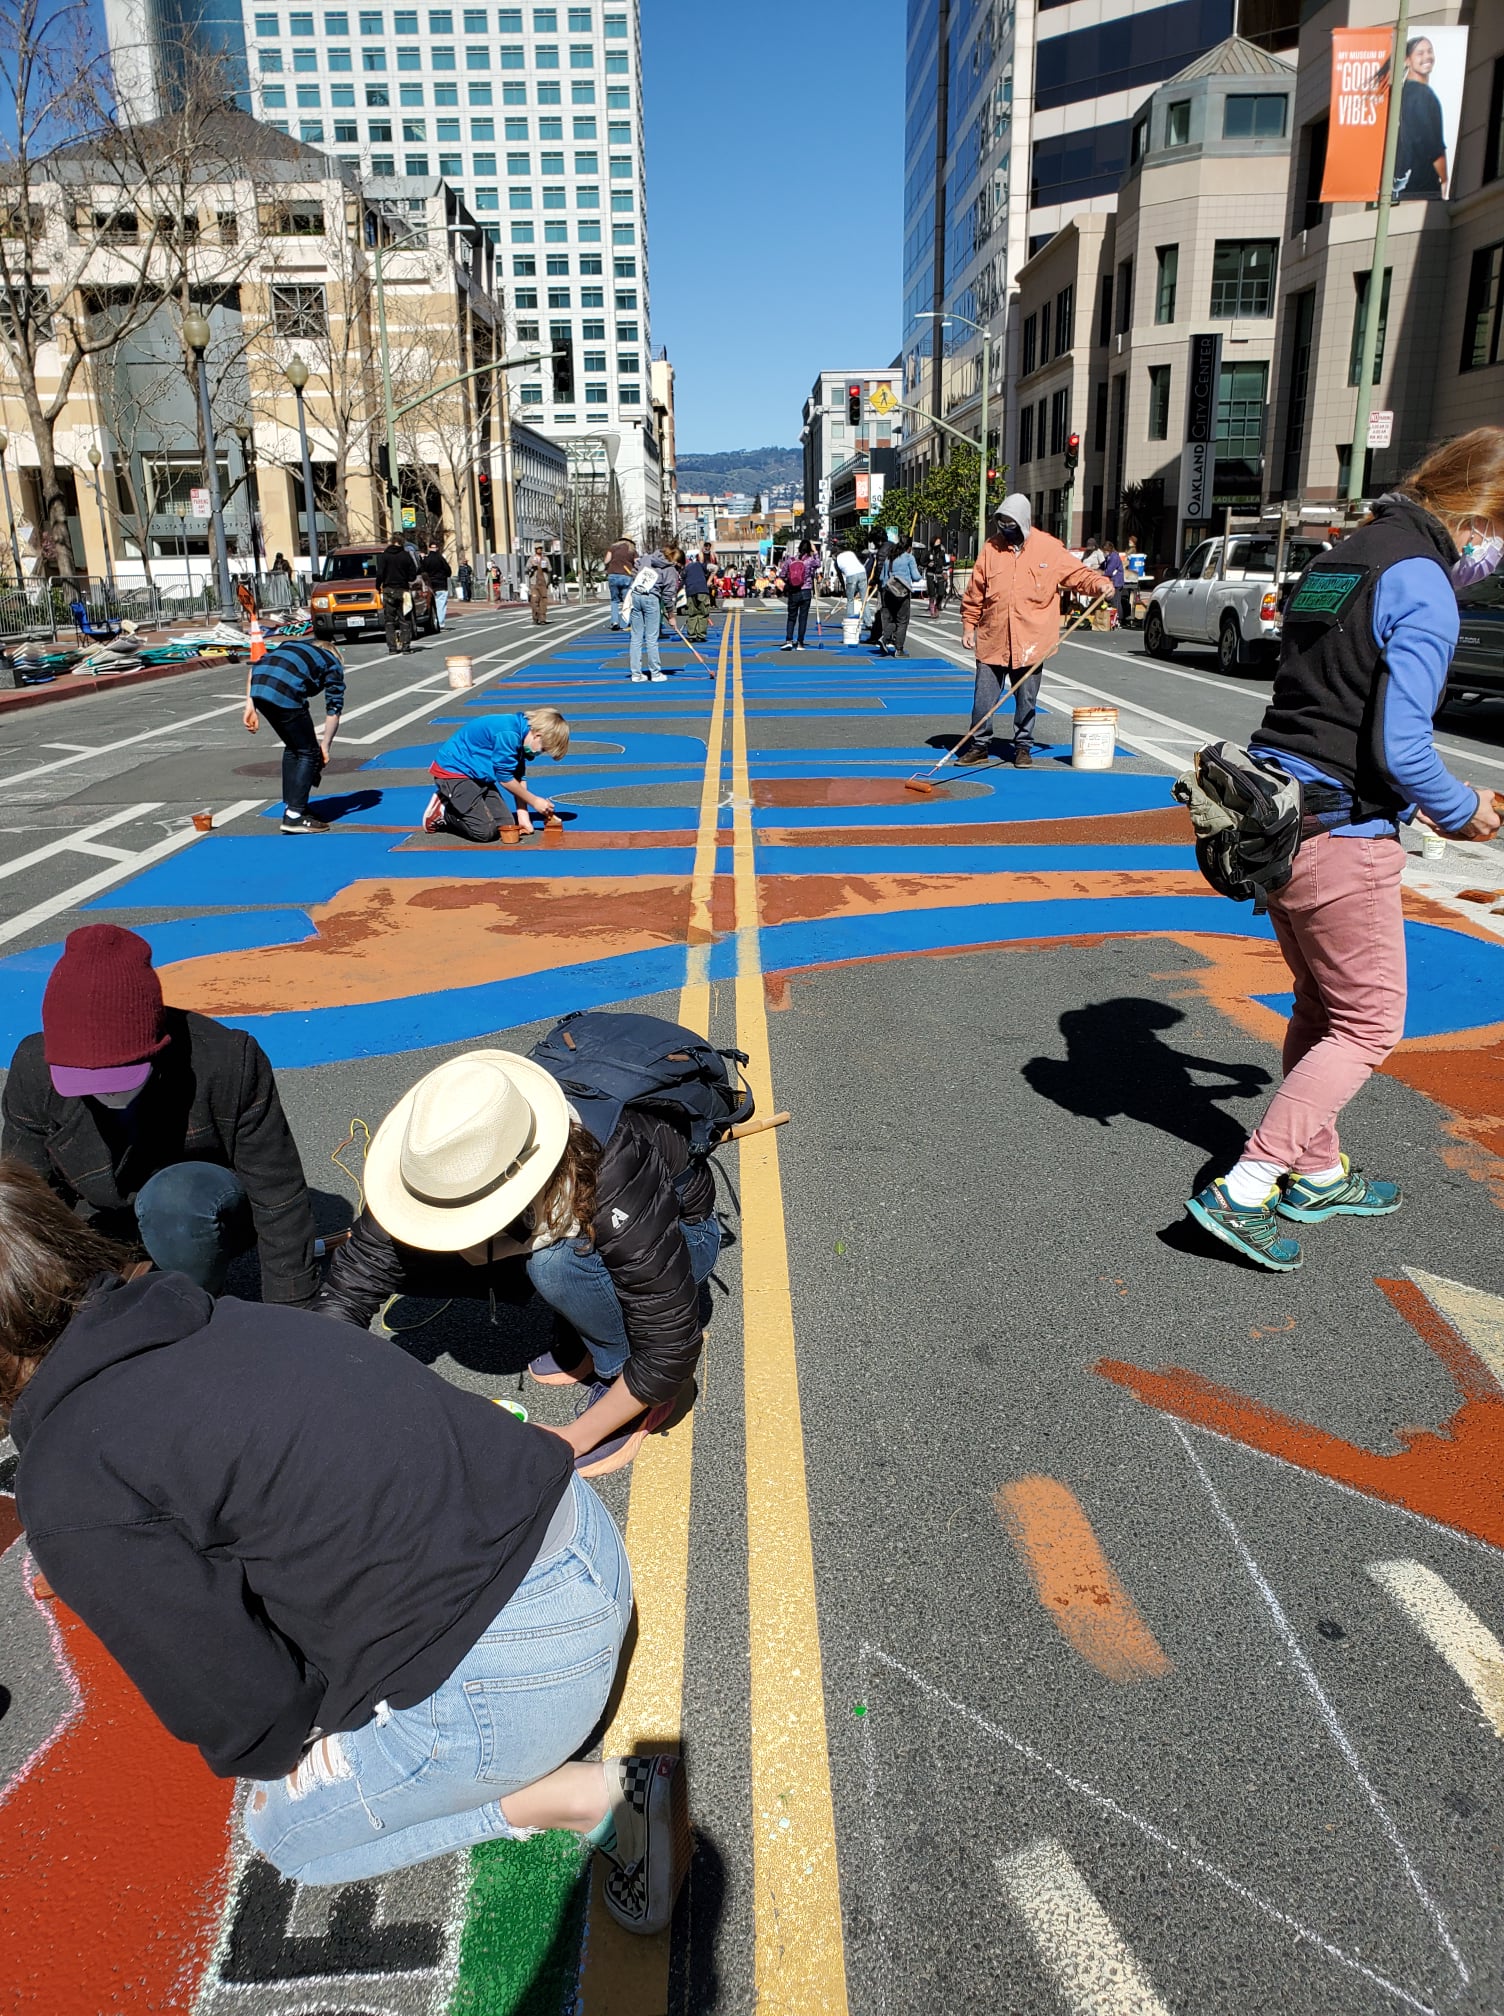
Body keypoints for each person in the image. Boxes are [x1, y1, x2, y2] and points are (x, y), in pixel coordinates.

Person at [1, 1160, 689, 1927]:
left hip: (524, 1673)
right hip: (580, 1536)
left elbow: (251, 1710)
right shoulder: (202, 1313)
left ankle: (592, 1800)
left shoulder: (71, 1480)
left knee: (286, 1835)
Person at [1182, 431, 1504, 1270]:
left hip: (1275, 818)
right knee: (1368, 1023)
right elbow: (1402, 746)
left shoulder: (1346, 554)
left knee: (1322, 1009)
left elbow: (1317, 687)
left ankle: (1317, 1171)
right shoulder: (1425, 581)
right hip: (1346, 831)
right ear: (1479, 515)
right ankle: (1245, 1188)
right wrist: (1464, 810)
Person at [319, 1040, 721, 1475]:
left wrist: (574, 1436)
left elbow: (670, 1348)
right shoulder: (442, 1155)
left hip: (679, 1237)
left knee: (556, 1265)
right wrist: (317, 1381)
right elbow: (355, 1275)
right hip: (574, 1223)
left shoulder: (616, 1167)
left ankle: (619, 1369)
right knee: (408, 1251)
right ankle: (588, 1320)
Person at [2, 925, 319, 1305]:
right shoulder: (34, 1068)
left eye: (118, 1076)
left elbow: (278, 1196)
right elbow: (26, 1203)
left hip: (198, 1209)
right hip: (102, 1221)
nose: (106, 1091)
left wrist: (294, 1317)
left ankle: (195, 1306)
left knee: (174, 1199)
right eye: (86, 1079)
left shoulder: (227, 1061)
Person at [959, 495, 1111, 768]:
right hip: (992, 637)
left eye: (1011, 524)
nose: (1006, 529)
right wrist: (969, 625)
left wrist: (1100, 584)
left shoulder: (1049, 549)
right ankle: (979, 744)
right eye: (1002, 523)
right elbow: (975, 592)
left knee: (1027, 698)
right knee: (983, 698)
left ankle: (1022, 747)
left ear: (1024, 522)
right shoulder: (991, 549)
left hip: (1031, 641)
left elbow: (1079, 575)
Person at [422, 705, 569, 842]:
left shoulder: (523, 735)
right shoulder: (509, 733)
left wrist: (522, 815)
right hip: (455, 772)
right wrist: (535, 801)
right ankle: (445, 811)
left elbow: (518, 776)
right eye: (543, 749)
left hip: (478, 776)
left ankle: (461, 802)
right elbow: (505, 778)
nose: (539, 753)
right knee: (484, 832)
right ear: (537, 735)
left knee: (505, 825)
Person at [244, 635, 345, 834]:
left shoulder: (291, 646)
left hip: (260, 689)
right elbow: (334, 709)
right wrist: (324, 747)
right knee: (309, 752)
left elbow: (254, 668)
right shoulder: (332, 663)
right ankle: (295, 815)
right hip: (285, 693)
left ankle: (293, 804)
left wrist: (250, 706)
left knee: (294, 746)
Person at [1394, 36, 1448, 201]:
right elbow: (1432, 146)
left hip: (1405, 187)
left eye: (1429, 51)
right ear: (1407, 60)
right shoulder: (1422, 95)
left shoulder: (1403, 93)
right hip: (1422, 186)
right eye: (1420, 53)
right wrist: (1445, 179)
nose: (1427, 57)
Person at [628, 544, 684, 683]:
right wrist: (671, 616)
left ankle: (636, 673)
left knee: (636, 637)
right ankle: (655, 673)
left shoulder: (647, 558)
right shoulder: (670, 569)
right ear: (676, 562)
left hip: (636, 595)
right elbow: (668, 596)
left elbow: (634, 571)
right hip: (651, 598)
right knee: (652, 638)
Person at [876, 535, 924, 657]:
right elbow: (916, 576)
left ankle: (885, 637)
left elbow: (882, 577)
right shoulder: (909, 558)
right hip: (902, 592)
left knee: (892, 618)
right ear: (909, 547)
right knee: (902, 620)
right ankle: (899, 649)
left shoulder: (889, 558)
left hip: (889, 591)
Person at [375, 535, 418, 655]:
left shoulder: (385, 556)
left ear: (392, 542)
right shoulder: (405, 556)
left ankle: (392, 647)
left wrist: (378, 586)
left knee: (389, 620)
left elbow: (380, 574)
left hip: (388, 589)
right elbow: (412, 575)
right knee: (405, 619)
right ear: (402, 542)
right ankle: (406, 646)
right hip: (403, 590)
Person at [778, 539, 817, 650]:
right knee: (803, 618)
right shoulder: (810, 561)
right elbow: (818, 564)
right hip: (806, 591)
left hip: (794, 591)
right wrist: (815, 552)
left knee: (791, 617)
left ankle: (789, 640)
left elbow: (782, 574)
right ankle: (800, 643)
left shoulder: (791, 560)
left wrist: (790, 581)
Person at [605, 533, 637, 630]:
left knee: (614, 600)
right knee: (627, 601)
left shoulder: (613, 548)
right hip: (626, 575)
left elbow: (606, 560)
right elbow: (637, 562)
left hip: (613, 575)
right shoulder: (632, 550)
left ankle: (615, 622)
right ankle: (626, 623)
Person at [682, 548, 713, 643]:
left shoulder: (686, 568)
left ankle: (692, 635)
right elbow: (714, 569)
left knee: (692, 614)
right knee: (703, 614)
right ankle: (701, 635)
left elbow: (681, 579)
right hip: (702, 590)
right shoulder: (701, 565)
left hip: (691, 592)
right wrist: (709, 580)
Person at [420, 545, 452, 630]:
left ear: (429, 548)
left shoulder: (426, 560)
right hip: (441, 584)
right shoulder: (441, 559)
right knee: (441, 605)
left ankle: (433, 622)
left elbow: (422, 571)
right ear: (437, 548)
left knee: (431, 605)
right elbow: (448, 571)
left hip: (430, 585)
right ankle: (440, 623)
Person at [1102, 538, 1128, 629]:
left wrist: (1102, 574)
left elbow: (1109, 570)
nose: (1104, 553)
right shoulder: (1110, 557)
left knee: (1115, 601)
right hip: (1115, 580)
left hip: (1116, 581)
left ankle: (1118, 620)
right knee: (1116, 601)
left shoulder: (1114, 557)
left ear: (1108, 550)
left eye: (1105, 551)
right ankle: (1117, 619)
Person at [836, 545, 865, 622]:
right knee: (864, 599)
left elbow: (840, 576)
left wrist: (844, 589)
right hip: (862, 573)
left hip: (851, 575)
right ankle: (868, 622)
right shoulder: (850, 553)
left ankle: (850, 620)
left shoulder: (837, 560)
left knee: (850, 599)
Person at [527, 544, 552, 625]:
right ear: (535, 550)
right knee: (534, 601)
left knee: (543, 601)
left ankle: (542, 619)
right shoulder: (531, 558)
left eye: (540, 548)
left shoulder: (545, 559)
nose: (539, 550)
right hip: (534, 582)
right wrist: (532, 565)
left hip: (543, 582)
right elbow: (526, 568)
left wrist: (546, 568)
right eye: (538, 549)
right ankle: (535, 617)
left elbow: (550, 569)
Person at [924, 546, 947, 618]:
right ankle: (932, 611)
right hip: (930, 574)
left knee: (941, 592)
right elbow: (922, 562)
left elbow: (945, 564)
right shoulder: (928, 553)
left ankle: (937, 606)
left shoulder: (942, 553)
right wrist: (927, 564)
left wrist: (945, 572)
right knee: (932, 594)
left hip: (939, 574)